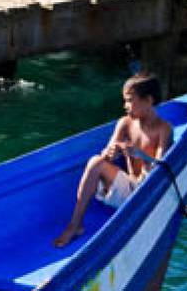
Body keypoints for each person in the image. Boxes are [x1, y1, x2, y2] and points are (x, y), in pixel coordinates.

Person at [54, 72, 172, 247]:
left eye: (130, 100)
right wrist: (111, 152)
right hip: (128, 188)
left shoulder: (164, 129)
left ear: (148, 100)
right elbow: (105, 154)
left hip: (147, 192)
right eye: (125, 101)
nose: (125, 106)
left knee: (150, 172)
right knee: (95, 161)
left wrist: (140, 155)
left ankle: (124, 227)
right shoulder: (125, 123)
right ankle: (75, 225)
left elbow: (160, 168)